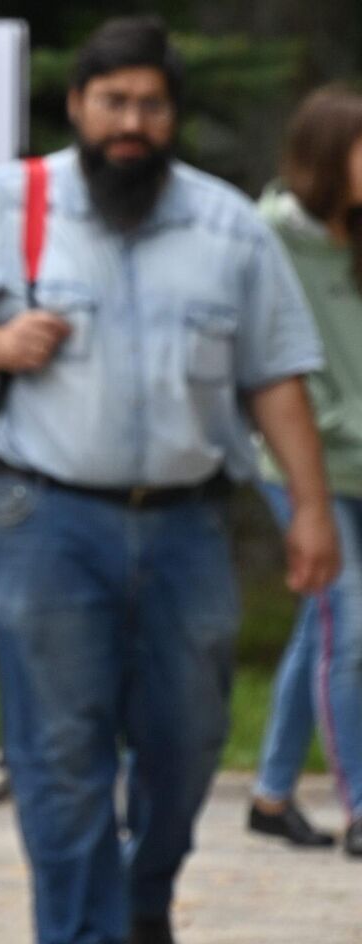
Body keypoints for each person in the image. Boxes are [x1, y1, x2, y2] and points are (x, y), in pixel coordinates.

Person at [0, 16, 343, 944]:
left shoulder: (227, 226)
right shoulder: (6, 204)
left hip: (186, 528)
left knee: (185, 746)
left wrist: (312, 511)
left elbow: (276, 377)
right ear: (77, 108)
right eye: (113, 102)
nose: (130, 121)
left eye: (150, 104)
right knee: (61, 754)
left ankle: (143, 901)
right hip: (46, 519)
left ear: (172, 116)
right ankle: (84, 934)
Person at [245, 86, 362, 858]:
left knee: (318, 628)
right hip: (300, 464)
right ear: (328, 158)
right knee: (351, 628)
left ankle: (269, 795)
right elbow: (274, 368)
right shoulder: (269, 239)